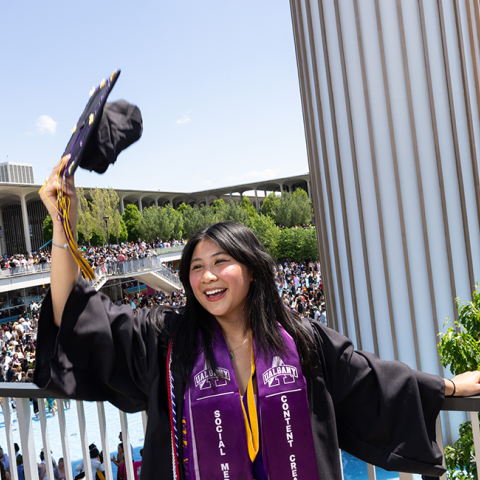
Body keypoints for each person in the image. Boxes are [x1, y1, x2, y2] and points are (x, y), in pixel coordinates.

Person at [34, 161, 480, 480]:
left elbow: (371, 381)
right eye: (195, 266)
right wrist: (61, 226)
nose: (206, 276)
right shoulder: (167, 341)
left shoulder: (301, 341)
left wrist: (450, 387)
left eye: (221, 261)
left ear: (252, 267)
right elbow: (78, 314)